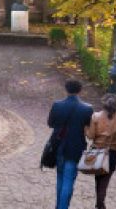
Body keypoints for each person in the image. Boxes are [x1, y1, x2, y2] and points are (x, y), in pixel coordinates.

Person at [47, 79, 94, 209]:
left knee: (60, 178)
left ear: (66, 89)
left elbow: (50, 123)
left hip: (59, 146)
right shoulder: (87, 109)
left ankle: (59, 206)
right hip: (76, 148)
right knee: (68, 180)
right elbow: (88, 128)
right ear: (80, 91)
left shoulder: (57, 105)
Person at [86, 93, 116, 209]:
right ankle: (100, 202)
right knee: (104, 181)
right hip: (111, 153)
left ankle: (100, 203)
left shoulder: (95, 116)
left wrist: (85, 128)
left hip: (96, 151)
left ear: (103, 103)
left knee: (98, 178)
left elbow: (91, 136)